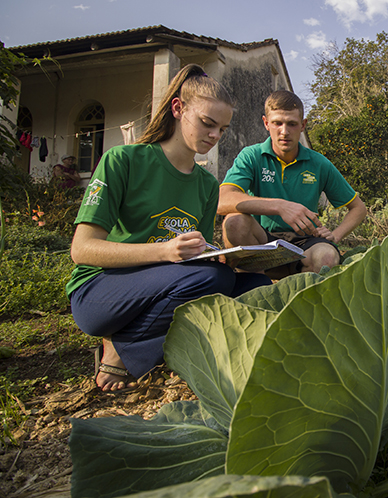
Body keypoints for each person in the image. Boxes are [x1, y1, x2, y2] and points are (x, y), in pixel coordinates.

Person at [67, 64, 272, 393]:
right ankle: (121, 347)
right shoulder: (123, 160)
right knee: (211, 279)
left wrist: (222, 255)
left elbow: (197, 257)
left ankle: (203, 358)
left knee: (255, 285)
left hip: (167, 285)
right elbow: (83, 250)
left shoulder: (206, 184)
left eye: (222, 129)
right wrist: (164, 251)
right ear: (178, 108)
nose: (215, 136)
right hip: (100, 295)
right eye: (207, 123)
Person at [218, 90, 367, 278]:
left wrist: (335, 235)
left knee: (327, 257)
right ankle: (255, 286)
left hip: (305, 242)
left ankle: (304, 299)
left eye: (292, 124)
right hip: (262, 240)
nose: (284, 131)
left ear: (303, 125)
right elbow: (222, 200)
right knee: (234, 222)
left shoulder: (319, 163)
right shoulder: (251, 156)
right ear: (266, 123)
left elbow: (358, 208)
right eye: (277, 123)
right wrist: (280, 207)